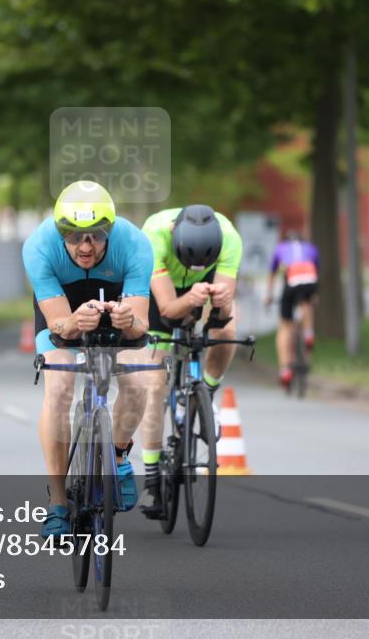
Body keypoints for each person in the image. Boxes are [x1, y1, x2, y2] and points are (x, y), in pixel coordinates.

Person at [22, 181, 155, 539]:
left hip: (118, 310)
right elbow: (58, 326)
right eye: (75, 236)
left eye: (96, 236)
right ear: (60, 232)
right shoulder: (39, 247)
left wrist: (128, 320)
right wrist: (74, 321)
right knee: (61, 386)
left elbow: (140, 325)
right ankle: (59, 502)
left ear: (109, 231)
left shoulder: (135, 244)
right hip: (64, 314)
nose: (85, 246)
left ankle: (120, 455)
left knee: (139, 383)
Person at [138, 204, 242, 517]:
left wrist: (221, 305)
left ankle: (205, 394)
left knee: (227, 333)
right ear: (174, 235)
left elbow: (221, 319)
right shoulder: (153, 236)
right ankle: (152, 478)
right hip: (162, 291)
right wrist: (190, 300)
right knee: (154, 382)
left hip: (206, 286)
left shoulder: (230, 239)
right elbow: (168, 309)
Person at [264, 230, 319, 388]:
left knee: (285, 326)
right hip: (310, 278)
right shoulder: (311, 248)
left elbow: (272, 274)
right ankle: (308, 333)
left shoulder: (280, 248)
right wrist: (315, 295)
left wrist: (268, 296)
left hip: (292, 278)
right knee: (307, 305)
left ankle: (284, 369)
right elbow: (315, 271)